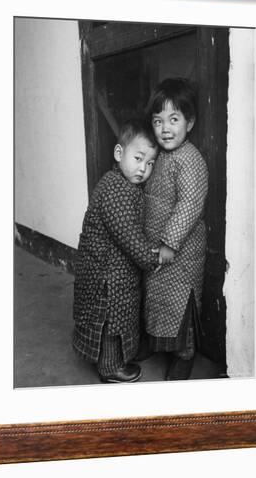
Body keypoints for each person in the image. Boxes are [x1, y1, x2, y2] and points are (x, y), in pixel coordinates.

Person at [72, 120, 160, 383]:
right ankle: (110, 368)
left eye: (150, 163)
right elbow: (129, 235)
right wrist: (150, 257)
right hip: (104, 274)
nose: (143, 168)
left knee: (124, 314)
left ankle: (125, 352)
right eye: (138, 158)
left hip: (116, 267)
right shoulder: (115, 190)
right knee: (111, 319)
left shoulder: (127, 186)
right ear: (119, 154)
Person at [142, 78, 208, 380]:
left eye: (174, 119)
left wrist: (169, 242)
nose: (165, 128)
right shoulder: (160, 154)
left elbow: (190, 204)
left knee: (181, 308)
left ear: (189, 122)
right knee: (156, 301)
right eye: (158, 121)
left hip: (181, 254)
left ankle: (184, 354)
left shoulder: (190, 160)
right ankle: (159, 343)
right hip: (157, 250)